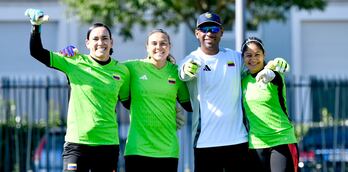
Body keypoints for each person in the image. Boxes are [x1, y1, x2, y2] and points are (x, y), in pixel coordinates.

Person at [60, 29, 193, 172]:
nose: (159, 47)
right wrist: (76, 56)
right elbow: (104, 67)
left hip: (168, 150)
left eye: (163, 43)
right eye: (154, 43)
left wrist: (176, 108)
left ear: (170, 46)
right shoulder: (131, 68)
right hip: (137, 149)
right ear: (147, 47)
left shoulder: (176, 72)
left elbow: (191, 105)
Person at [178, 12, 289, 172]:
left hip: (238, 142)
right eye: (204, 29)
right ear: (197, 33)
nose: (209, 33)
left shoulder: (235, 57)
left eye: (214, 29)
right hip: (205, 143)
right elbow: (183, 72)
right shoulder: (191, 59)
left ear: (221, 32)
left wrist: (273, 65)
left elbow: (257, 65)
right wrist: (187, 70)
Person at [25, 9, 130, 172]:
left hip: (108, 144)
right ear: (87, 43)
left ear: (111, 42)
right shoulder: (74, 61)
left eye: (104, 38)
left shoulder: (122, 71)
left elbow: (129, 102)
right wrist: (35, 27)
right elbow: (36, 52)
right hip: (77, 144)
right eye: (95, 38)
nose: (100, 42)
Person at [241, 37, 298, 172]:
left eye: (257, 55)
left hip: (281, 140)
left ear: (264, 55)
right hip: (256, 144)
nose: (253, 59)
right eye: (248, 55)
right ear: (243, 57)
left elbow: (275, 77)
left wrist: (269, 73)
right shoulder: (243, 81)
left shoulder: (274, 75)